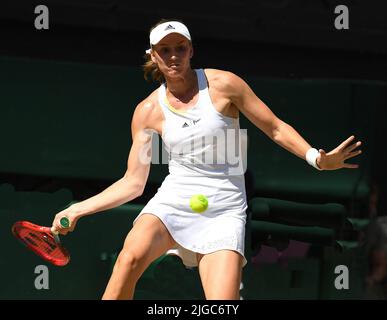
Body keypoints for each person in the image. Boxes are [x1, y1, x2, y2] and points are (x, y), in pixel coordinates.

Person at [51, 19, 363, 300]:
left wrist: (317, 160)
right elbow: (134, 182)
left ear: (191, 51)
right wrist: (79, 208)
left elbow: (275, 128)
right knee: (128, 259)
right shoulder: (147, 111)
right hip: (173, 201)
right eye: (165, 49)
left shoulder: (225, 85)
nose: (173, 55)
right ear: (153, 55)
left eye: (180, 48)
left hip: (225, 208)